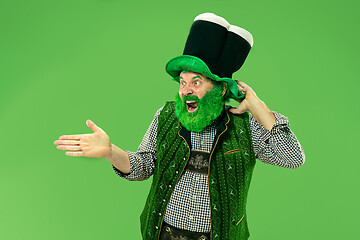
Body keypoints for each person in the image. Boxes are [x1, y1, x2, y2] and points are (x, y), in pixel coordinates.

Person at [54, 13, 305, 240]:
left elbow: (293, 158)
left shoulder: (247, 126)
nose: (186, 91)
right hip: (162, 234)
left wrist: (258, 106)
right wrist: (110, 151)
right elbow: (143, 165)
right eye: (182, 82)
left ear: (220, 88)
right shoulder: (166, 115)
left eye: (196, 82)